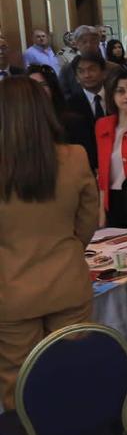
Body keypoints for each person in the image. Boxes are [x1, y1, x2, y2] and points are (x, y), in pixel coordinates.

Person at [0, 77, 98, 410]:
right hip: (67, 280)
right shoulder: (75, 157)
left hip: (12, 290)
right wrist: (67, 249)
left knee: (19, 384)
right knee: (76, 374)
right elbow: (87, 221)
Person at [94, 69, 127, 228]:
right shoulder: (102, 125)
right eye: (120, 91)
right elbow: (102, 173)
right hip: (112, 199)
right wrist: (101, 211)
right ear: (111, 95)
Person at [66, 52, 109, 172]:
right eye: (81, 71)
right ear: (76, 78)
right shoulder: (70, 105)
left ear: (104, 73)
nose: (87, 75)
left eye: (92, 69)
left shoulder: (115, 98)